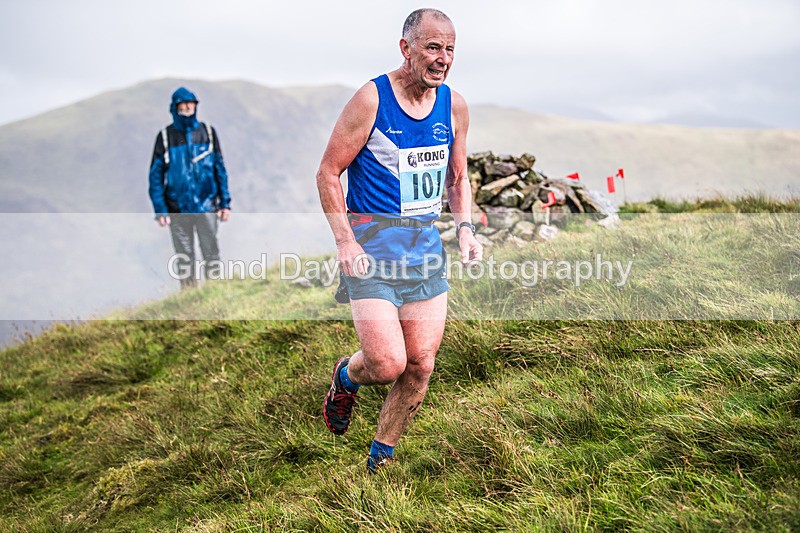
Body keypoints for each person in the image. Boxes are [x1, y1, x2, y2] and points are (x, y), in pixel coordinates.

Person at [317, 9, 482, 472]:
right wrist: (345, 242)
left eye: (450, 49)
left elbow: (458, 177)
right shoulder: (371, 99)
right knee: (387, 364)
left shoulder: (454, 105)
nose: (443, 59)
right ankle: (347, 376)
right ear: (405, 48)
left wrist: (465, 229)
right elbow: (328, 172)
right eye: (433, 47)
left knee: (421, 365)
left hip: (426, 252)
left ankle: (379, 460)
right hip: (372, 253)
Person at [148, 87, 232, 289]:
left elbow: (219, 168)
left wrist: (225, 203)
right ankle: (189, 296)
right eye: (183, 104)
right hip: (177, 208)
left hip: (207, 204)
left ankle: (214, 291)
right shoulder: (165, 137)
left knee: (210, 250)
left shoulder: (208, 133)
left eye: (191, 103)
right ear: (175, 107)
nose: (187, 107)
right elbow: (155, 176)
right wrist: (160, 209)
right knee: (184, 256)